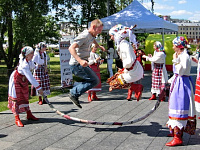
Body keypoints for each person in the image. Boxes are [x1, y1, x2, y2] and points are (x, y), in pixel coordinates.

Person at [166, 36, 196, 146]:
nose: (173, 47)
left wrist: (174, 60)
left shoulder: (184, 57)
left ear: (179, 46)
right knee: (176, 106)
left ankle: (178, 137)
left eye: (174, 45)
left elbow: (181, 71)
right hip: (180, 82)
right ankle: (176, 132)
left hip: (182, 84)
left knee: (179, 107)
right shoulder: (182, 55)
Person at [68, 19, 105, 108]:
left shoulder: (91, 35)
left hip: (81, 65)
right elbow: (71, 48)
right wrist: (80, 60)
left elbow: (92, 40)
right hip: (77, 65)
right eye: (99, 30)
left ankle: (74, 91)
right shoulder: (84, 36)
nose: (99, 33)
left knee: (94, 80)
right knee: (94, 80)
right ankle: (73, 93)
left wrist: (98, 45)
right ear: (93, 27)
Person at [8, 46, 43, 127]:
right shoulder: (24, 64)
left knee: (25, 96)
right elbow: (30, 77)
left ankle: (29, 114)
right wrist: (39, 88)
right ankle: (17, 118)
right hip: (16, 80)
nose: (33, 54)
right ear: (26, 55)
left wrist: (37, 58)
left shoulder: (28, 60)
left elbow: (34, 65)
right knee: (16, 98)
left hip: (23, 80)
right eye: (31, 53)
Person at [107, 24, 143, 101]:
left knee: (115, 82)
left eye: (111, 35)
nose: (111, 38)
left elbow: (129, 60)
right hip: (132, 69)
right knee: (113, 81)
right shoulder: (122, 44)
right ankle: (136, 89)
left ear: (116, 34)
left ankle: (137, 88)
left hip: (133, 70)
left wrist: (124, 68)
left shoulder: (124, 44)